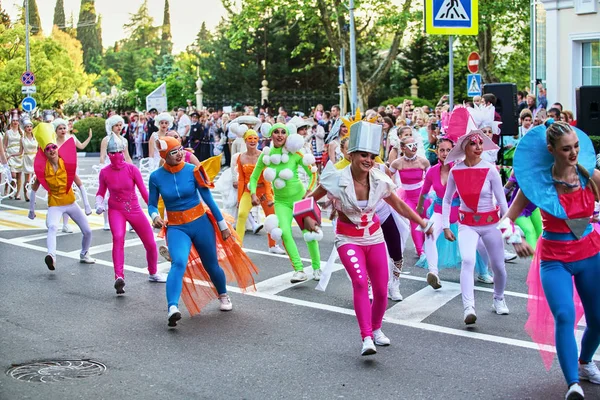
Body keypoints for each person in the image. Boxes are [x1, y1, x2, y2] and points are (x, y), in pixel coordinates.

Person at [302, 121, 432, 355]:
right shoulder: (334, 178)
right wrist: (309, 220)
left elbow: (400, 205)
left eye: (372, 156)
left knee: (381, 290)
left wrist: (423, 224)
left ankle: (377, 328)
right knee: (361, 283)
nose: (368, 160)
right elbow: (308, 201)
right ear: (351, 155)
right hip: (348, 239)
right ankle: (366, 337)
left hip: (374, 238)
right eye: (363, 155)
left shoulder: (380, 180)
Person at [507, 122, 600, 400]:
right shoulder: (535, 184)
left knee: (598, 318)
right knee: (565, 316)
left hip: (590, 253)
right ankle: (573, 383)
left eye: (576, 147)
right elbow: (506, 219)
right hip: (554, 259)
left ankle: (585, 363)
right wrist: (516, 238)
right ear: (551, 150)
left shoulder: (591, 176)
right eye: (566, 149)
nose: (573, 153)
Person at [148, 136, 258, 327]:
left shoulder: (193, 170)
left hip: (201, 223)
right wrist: (154, 215)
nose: (181, 154)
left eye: (181, 149)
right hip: (176, 227)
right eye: (174, 152)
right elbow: (151, 203)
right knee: (179, 263)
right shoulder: (156, 177)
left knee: (211, 264)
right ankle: (172, 307)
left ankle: (223, 294)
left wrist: (223, 226)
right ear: (165, 155)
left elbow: (209, 199)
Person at [442, 107, 510, 325]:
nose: (479, 146)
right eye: (473, 143)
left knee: (498, 266)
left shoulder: (491, 170)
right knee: (468, 260)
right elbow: (446, 199)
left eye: (481, 142)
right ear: (464, 146)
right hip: (466, 225)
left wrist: (509, 228)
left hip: (490, 224)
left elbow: (501, 201)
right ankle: (468, 307)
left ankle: (498, 298)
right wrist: (445, 225)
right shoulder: (455, 171)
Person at [95, 131, 166, 294]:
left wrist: (154, 212)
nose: (116, 155)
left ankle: (153, 272)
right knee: (118, 238)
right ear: (108, 154)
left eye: (119, 152)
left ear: (123, 152)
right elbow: (100, 191)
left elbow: (144, 192)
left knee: (150, 242)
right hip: (115, 210)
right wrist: (99, 203)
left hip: (134, 209)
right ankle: (118, 277)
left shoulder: (132, 169)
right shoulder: (104, 172)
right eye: (112, 153)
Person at [249, 123, 321, 282]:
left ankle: (317, 268)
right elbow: (254, 177)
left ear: (288, 135)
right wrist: (253, 193)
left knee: (309, 234)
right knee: (285, 233)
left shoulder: (295, 153)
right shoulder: (266, 155)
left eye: (283, 132)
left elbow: (313, 173)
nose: (280, 135)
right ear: (271, 134)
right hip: (281, 202)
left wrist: (309, 191)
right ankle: (299, 269)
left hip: (300, 199)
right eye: (276, 132)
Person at [27, 123, 95, 270]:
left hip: (71, 203)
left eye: (53, 148)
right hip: (55, 205)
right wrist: (31, 209)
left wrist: (87, 205)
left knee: (88, 231)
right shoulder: (42, 170)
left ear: (57, 149)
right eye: (48, 149)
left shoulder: (67, 163)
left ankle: (84, 254)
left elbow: (80, 183)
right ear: (44, 152)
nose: (51, 150)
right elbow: (34, 189)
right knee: (52, 227)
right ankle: (51, 256)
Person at [235, 129, 284, 254]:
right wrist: (239, 199)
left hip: (264, 189)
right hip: (248, 190)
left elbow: (268, 178)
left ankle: (273, 245)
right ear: (245, 141)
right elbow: (241, 179)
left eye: (255, 138)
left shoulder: (263, 155)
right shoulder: (241, 157)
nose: (252, 141)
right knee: (241, 215)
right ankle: (237, 246)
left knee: (272, 216)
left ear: (258, 140)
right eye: (249, 139)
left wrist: (268, 195)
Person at [389, 136, 430, 262]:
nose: (414, 147)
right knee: (414, 221)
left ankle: (427, 247)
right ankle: (420, 251)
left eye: (415, 144)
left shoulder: (423, 162)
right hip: (408, 197)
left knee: (426, 221)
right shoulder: (397, 163)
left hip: (423, 195)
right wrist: (390, 188)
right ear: (402, 148)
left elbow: (430, 180)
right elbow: (387, 175)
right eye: (410, 145)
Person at [4, 116, 23, 199]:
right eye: (13, 121)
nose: (15, 122)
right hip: (10, 154)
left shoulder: (22, 132)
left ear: (19, 122)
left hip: (19, 155)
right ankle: (8, 189)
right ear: (11, 122)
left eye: (16, 121)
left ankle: (17, 193)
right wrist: (4, 155)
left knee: (19, 176)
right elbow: (4, 145)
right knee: (12, 175)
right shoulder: (8, 132)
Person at [20, 119, 37, 202]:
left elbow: (39, 149)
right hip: (27, 158)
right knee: (27, 179)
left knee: (35, 179)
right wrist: (11, 155)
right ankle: (25, 194)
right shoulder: (22, 139)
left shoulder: (35, 138)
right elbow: (20, 151)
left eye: (30, 126)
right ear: (24, 128)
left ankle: (33, 195)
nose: (29, 128)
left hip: (35, 158)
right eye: (27, 127)